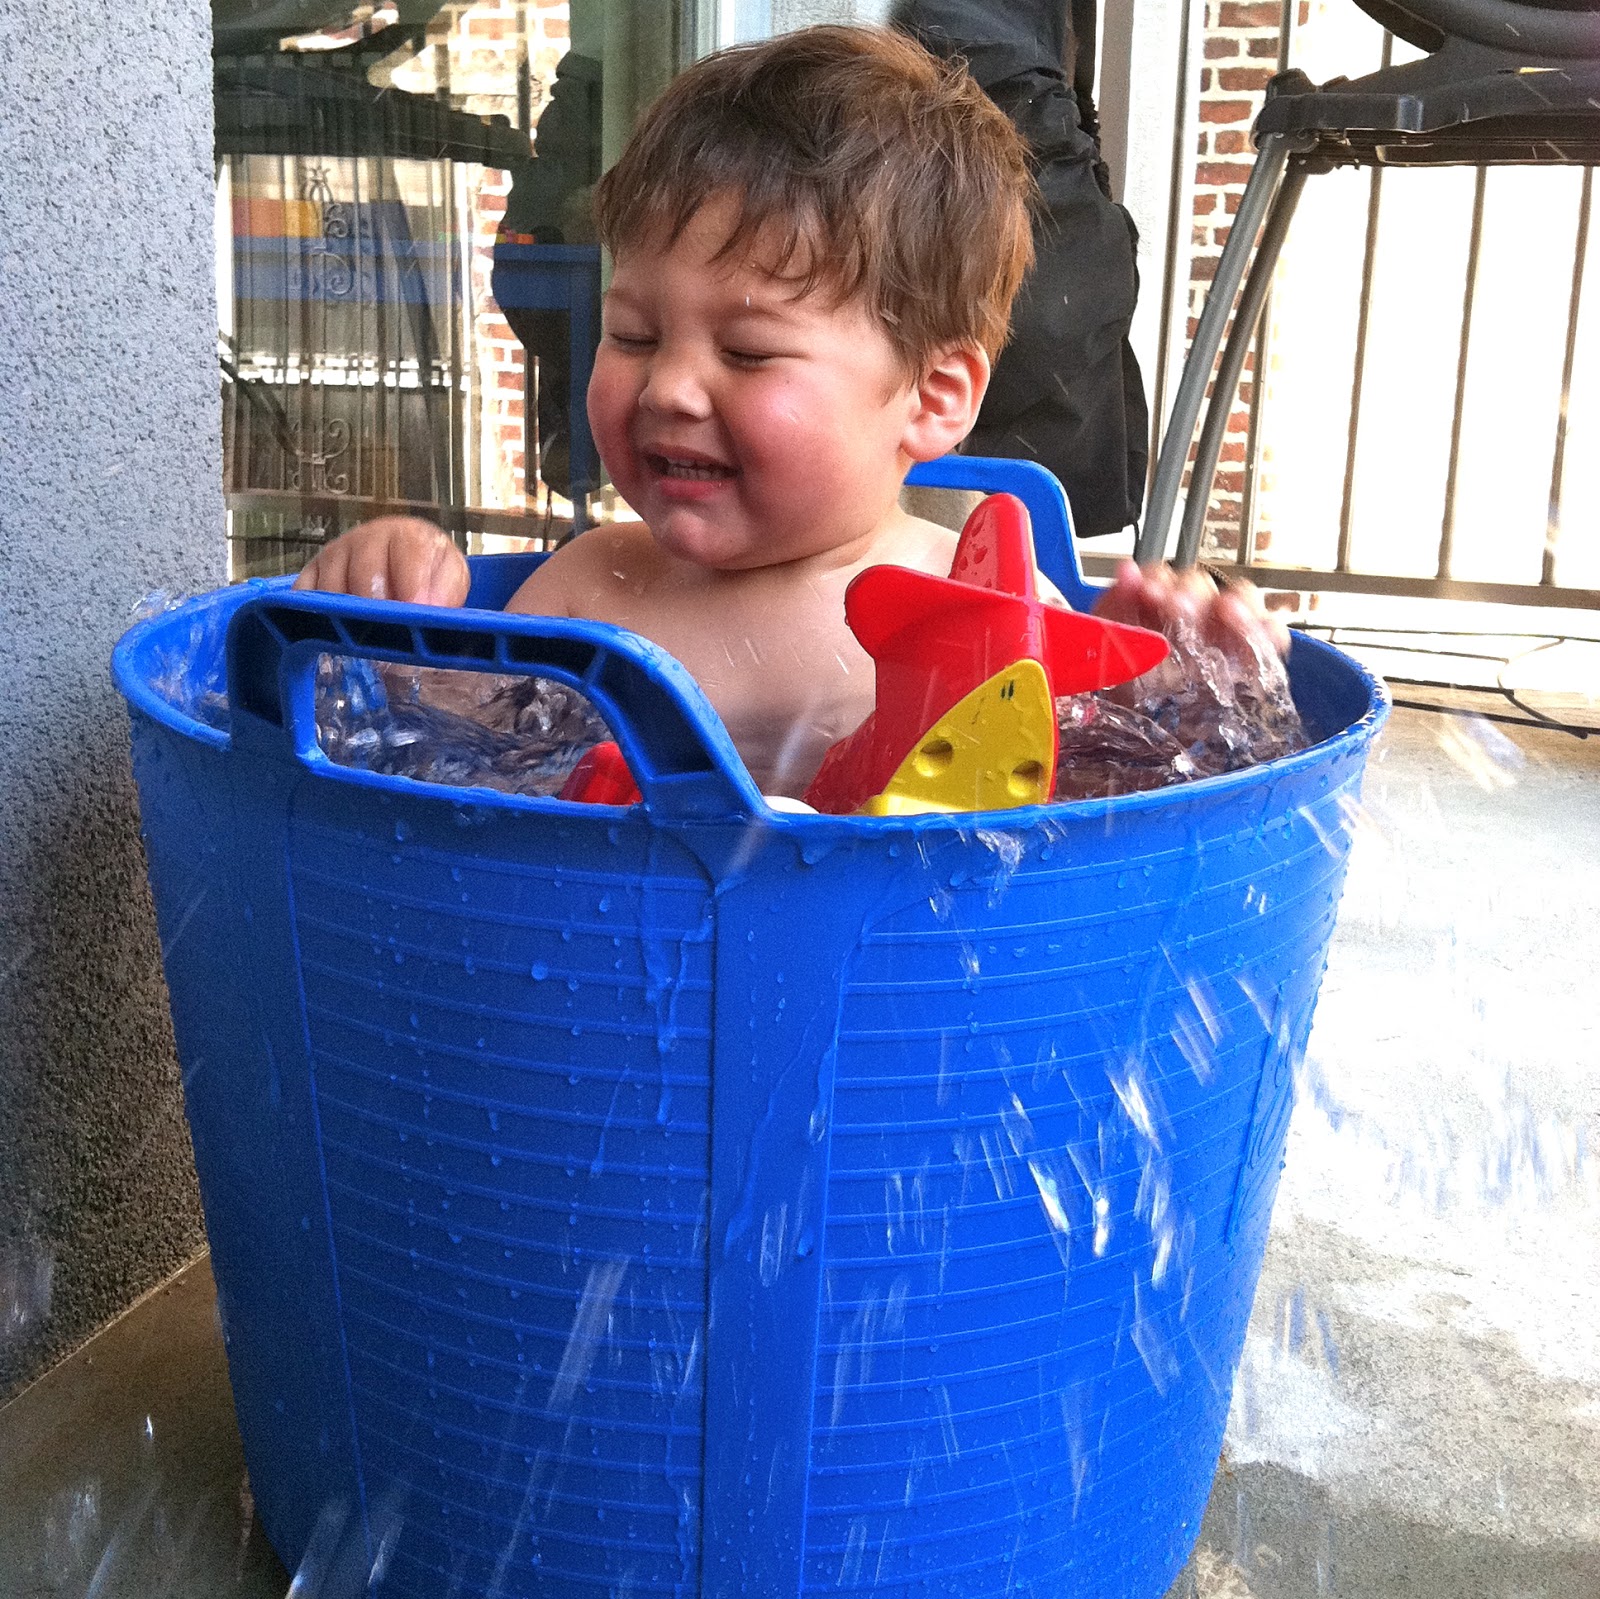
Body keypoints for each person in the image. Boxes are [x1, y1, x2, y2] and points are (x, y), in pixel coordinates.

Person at [295, 25, 1285, 800]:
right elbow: (429, 765)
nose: (668, 387)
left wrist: (1185, 697)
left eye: (747, 352)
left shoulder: (990, 612)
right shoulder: (588, 588)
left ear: (933, 398)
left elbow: (1098, 817)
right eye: (633, 334)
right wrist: (387, 620)